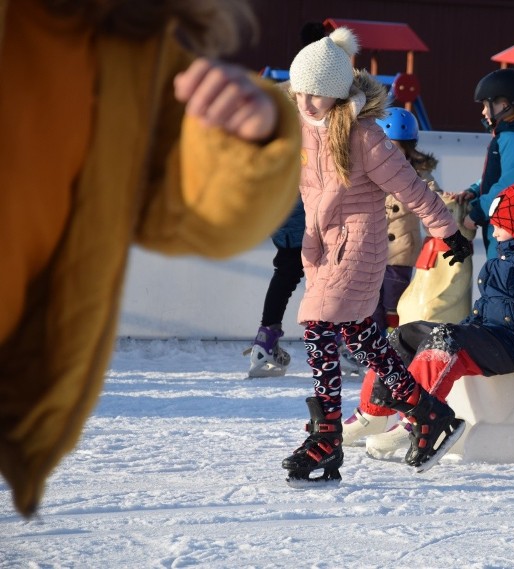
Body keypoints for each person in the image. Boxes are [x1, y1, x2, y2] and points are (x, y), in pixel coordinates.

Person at [0, 0, 302, 517]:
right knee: (306, 296)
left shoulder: (127, 40)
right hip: (311, 241)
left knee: (314, 300)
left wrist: (245, 143)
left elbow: (181, 209)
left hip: (23, 364)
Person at [279, 27, 472, 484]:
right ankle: (430, 415)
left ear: (337, 93)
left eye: (317, 95)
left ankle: (327, 436)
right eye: (300, 92)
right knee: (366, 341)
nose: (306, 103)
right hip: (323, 249)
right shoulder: (303, 131)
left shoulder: (365, 136)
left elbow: (411, 187)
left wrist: (447, 231)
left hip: (360, 248)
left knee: (317, 328)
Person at [344, 182, 514, 454]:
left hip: (511, 346)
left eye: (499, 225)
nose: (493, 232)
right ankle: (373, 411)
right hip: (487, 335)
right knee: (405, 334)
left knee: (443, 340)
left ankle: (418, 417)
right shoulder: (502, 259)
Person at [451, 68, 514, 259]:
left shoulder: (513, 139)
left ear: (503, 105)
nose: (483, 111)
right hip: (500, 220)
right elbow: (498, 176)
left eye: (486, 105)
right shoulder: (507, 135)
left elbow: (508, 185)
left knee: (500, 278)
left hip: (507, 224)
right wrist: (475, 190)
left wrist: (477, 213)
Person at [371, 106, 443, 333]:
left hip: (400, 255)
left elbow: (434, 198)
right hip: (371, 253)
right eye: (386, 148)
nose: (390, 154)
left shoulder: (418, 176)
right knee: (370, 305)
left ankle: (394, 343)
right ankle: (371, 346)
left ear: (409, 150)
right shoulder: (369, 172)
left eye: (396, 149)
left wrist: (447, 203)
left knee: (394, 303)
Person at [245, 196, 305, 378]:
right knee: (325, 277)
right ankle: (338, 342)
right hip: (304, 216)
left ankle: (265, 343)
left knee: (286, 273)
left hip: (278, 214)